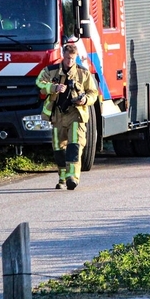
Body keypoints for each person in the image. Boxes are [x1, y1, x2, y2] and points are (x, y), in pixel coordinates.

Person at [35, 40, 100, 190]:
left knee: (74, 146)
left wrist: (84, 100)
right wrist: (53, 87)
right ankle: (62, 177)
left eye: (72, 58)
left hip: (76, 114)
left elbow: (93, 93)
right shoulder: (51, 71)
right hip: (57, 114)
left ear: (76, 57)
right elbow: (39, 83)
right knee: (58, 148)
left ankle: (73, 177)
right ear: (63, 56)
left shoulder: (83, 73)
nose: (70, 61)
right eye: (67, 58)